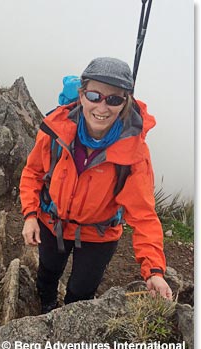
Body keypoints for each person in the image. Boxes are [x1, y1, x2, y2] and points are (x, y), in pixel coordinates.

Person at [19, 57, 173, 313]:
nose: (102, 106)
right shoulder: (56, 130)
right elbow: (33, 173)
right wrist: (30, 215)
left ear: (125, 103)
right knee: (48, 272)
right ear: (81, 96)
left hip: (98, 236)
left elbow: (144, 216)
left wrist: (153, 270)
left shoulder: (133, 154)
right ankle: (46, 306)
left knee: (81, 291)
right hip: (51, 222)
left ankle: (71, 325)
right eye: (94, 95)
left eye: (114, 99)